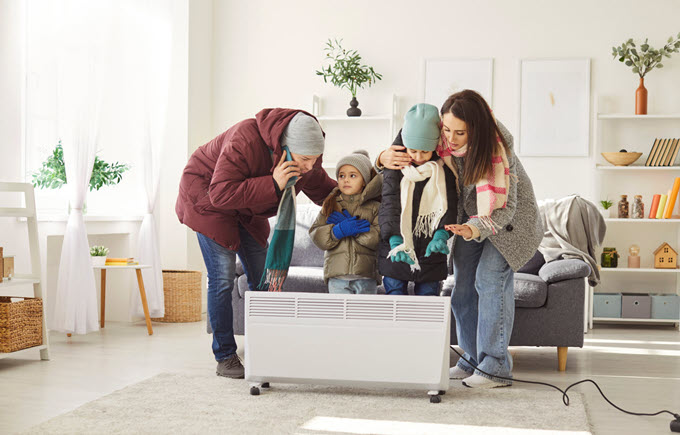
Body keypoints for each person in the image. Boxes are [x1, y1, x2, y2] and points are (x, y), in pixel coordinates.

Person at [378, 90, 542, 389]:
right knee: (463, 284)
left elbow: (507, 210)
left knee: (489, 280)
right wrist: (381, 155)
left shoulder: (497, 151)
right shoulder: (438, 135)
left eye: (460, 132)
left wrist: (476, 228)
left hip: (508, 224)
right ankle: (471, 359)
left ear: (475, 130)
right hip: (468, 220)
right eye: (446, 129)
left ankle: (495, 366)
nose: (450, 138)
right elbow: (406, 139)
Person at [176, 109, 336, 379]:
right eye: (306, 159)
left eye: (315, 159)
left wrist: (361, 202)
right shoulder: (245, 139)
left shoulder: (303, 155)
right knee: (223, 278)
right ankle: (225, 355)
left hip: (246, 208)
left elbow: (324, 190)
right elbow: (220, 193)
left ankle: (267, 344)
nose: (310, 166)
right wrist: (273, 183)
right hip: (207, 199)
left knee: (265, 277)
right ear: (286, 146)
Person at [378, 103, 457, 297]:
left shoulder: (443, 169)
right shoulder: (395, 164)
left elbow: (450, 204)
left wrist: (441, 236)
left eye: (425, 151)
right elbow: (389, 203)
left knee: (428, 302)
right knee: (395, 298)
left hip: (430, 249)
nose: (419, 157)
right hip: (396, 246)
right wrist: (395, 240)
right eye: (413, 150)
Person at [309, 150, 382, 294]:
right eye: (341, 176)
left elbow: (378, 240)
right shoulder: (331, 204)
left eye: (352, 175)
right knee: (339, 314)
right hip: (337, 276)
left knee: (364, 314)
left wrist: (356, 231)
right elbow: (316, 235)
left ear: (364, 181)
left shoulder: (375, 207)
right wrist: (337, 231)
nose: (345, 180)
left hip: (366, 275)